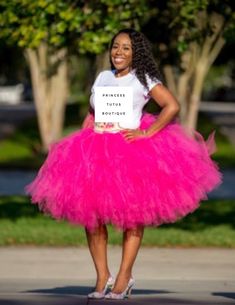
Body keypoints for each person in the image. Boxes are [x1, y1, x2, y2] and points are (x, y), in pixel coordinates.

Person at [25, 28, 222, 300]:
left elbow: (172, 106)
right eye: (116, 46)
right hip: (97, 148)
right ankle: (102, 276)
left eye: (126, 48)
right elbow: (93, 112)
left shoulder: (143, 78)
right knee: (92, 217)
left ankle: (123, 277)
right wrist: (82, 140)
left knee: (132, 218)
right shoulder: (103, 77)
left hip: (131, 152)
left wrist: (147, 133)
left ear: (135, 52)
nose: (119, 52)